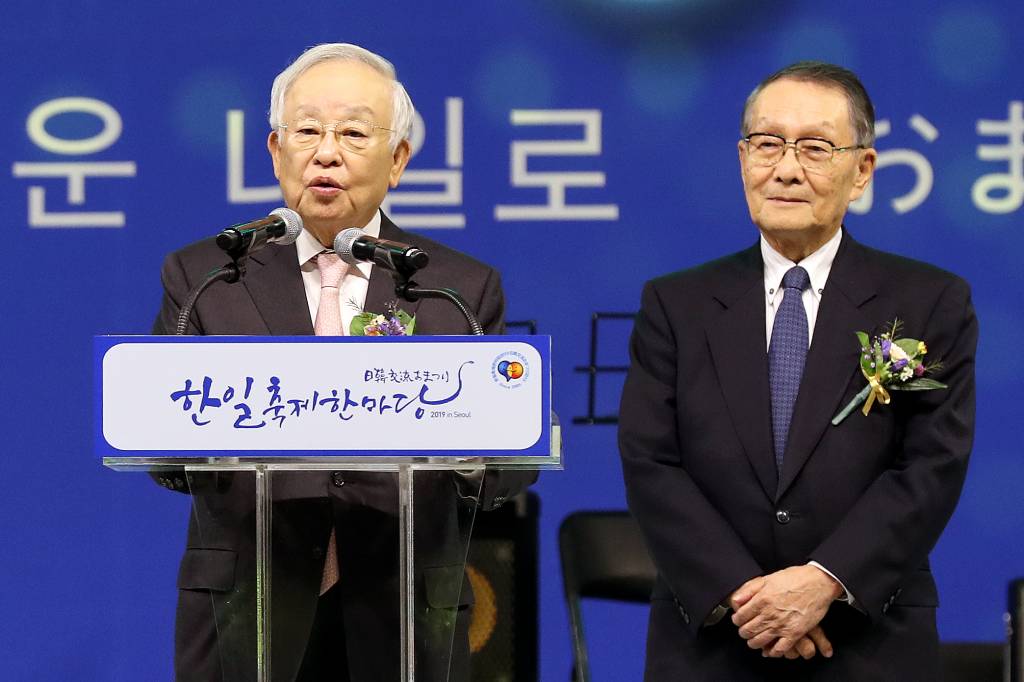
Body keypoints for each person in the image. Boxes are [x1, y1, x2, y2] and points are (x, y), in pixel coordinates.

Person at [152, 43, 535, 682]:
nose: (326, 151)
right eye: (307, 131)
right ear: (276, 152)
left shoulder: (456, 290)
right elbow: (162, 448)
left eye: (353, 132)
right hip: (248, 606)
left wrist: (464, 460)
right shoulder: (207, 277)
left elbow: (511, 458)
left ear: (398, 160)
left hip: (404, 605)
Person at [619, 61, 977, 680]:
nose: (786, 169)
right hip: (713, 641)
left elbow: (931, 466)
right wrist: (746, 598)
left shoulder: (926, 301)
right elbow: (651, 462)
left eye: (814, 148)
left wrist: (822, 582)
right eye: (767, 145)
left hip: (868, 637)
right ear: (742, 160)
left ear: (862, 170)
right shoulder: (675, 304)